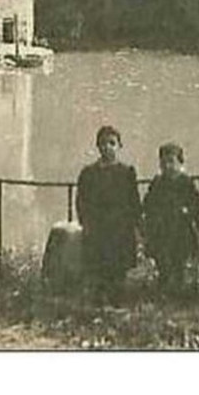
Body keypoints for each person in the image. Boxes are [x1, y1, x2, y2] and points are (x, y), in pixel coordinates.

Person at [75, 125, 141, 304]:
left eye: (112, 143)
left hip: (120, 228)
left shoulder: (126, 172)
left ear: (119, 146)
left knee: (118, 267)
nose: (107, 147)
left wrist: (135, 225)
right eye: (103, 143)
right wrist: (86, 222)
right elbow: (81, 200)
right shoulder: (89, 173)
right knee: (98, 265)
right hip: (98, 226)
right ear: (98, 146)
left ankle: (117, 300)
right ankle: (98, 300)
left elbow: (134, 201)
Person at [142, 142, 199, 298]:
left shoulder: (185, 182)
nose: (168, 166)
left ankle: (179, 293)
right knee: (162, 261)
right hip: (161, 230)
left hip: (180, 229)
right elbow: (147, 204)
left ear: (180, 163)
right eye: (164, 163)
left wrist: (194, 217)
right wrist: (149, 221)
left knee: (179, 261)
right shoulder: (157, 183)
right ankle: (163, 289)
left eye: (172, 162)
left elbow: (197, 205)